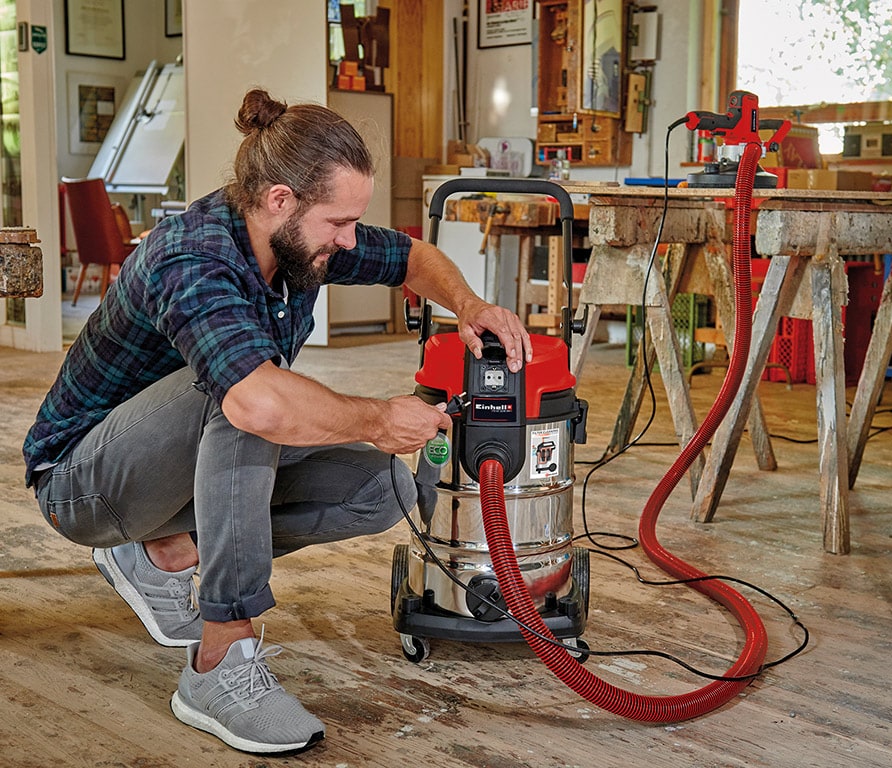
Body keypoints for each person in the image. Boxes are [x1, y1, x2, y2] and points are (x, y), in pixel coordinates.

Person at [24, 88, 533, 755]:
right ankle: (220, 661)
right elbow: (256, 403)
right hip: (82, 485)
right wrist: (378, 418)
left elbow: (412, 257)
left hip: (172, 470)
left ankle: (166, 551)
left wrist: (467, 306)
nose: (349, 240)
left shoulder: (303, 242)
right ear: (279, 199)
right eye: (339, 222)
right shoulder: (194, 255)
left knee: (386, 490)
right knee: (247, 399)